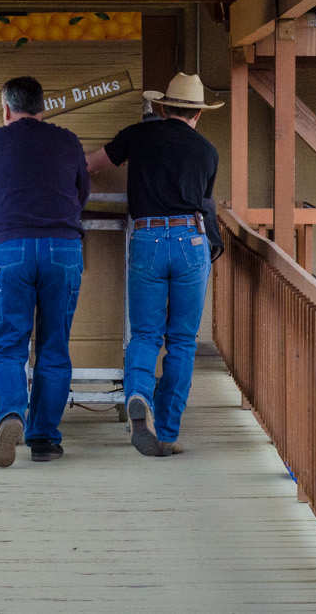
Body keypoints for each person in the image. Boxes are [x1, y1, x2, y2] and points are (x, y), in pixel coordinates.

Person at [87, 73, 224, 457]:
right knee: (181, 341)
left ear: (162, 107)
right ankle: (165, 433)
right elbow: (205, 202)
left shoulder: (137, 135)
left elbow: (90, 165)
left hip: (146, 237)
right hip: (190, 240)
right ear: (198, 113)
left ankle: (137, 395)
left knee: (145, 335)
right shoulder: (208, 152)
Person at [0, 77, 90, 467]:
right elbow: (82, 192)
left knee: (8, 345)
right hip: (63, 248)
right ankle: (44, 439)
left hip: (11, 248)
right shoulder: (68, 141)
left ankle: (10, 413)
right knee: (53, 347)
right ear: (44, 107)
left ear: (6, 109)